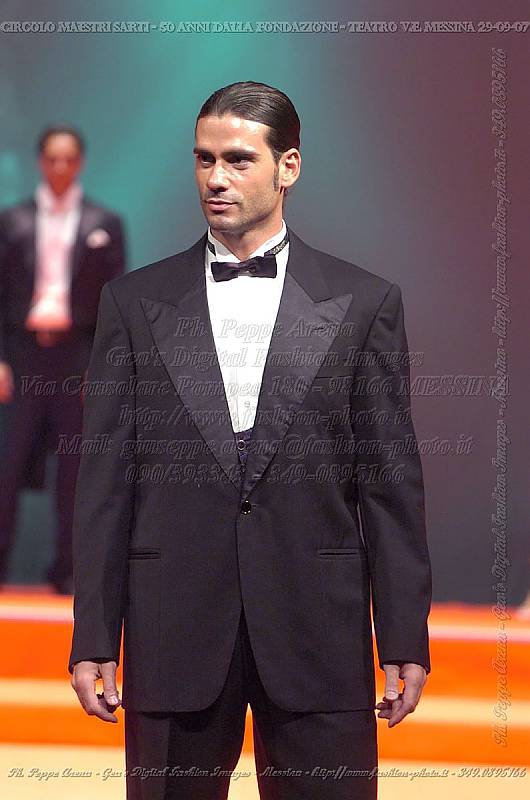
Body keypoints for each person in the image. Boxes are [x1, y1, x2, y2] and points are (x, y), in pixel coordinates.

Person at [69, 81, 432, 799]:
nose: (216, 178)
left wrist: (401, 634)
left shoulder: (365, 304)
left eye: (238, 160)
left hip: (317, 629)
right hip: (173, 625)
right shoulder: (133, 303)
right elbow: (105, 482)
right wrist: (94, 635)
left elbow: (390, 484)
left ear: (288, 166)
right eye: (203, 159)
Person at [0, 126, 126, 593]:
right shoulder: (12, 221)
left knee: (75, 471)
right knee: (7, 466)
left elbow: (115, 301)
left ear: (80, 163)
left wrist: (100, 365)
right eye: (52, 158)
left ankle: (68, 572)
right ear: (40, 162)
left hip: (77, 357)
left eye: (68, 159)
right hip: (22, 354)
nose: (59, 167)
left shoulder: (103, 221)